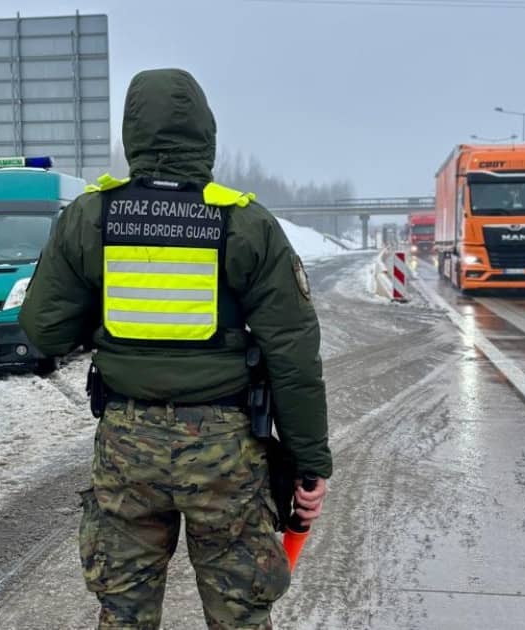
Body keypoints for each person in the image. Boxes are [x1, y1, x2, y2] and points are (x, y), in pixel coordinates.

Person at [19, 68, 332, 629]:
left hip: (126, 443)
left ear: (132, 134)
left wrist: (106, 316)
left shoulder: (91, 215)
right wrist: (309, 462)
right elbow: (293, 355)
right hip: (226, 448)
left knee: (124, 608)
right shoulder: (244, 222)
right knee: (240, 611)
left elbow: (45, 330)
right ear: (205, 133)